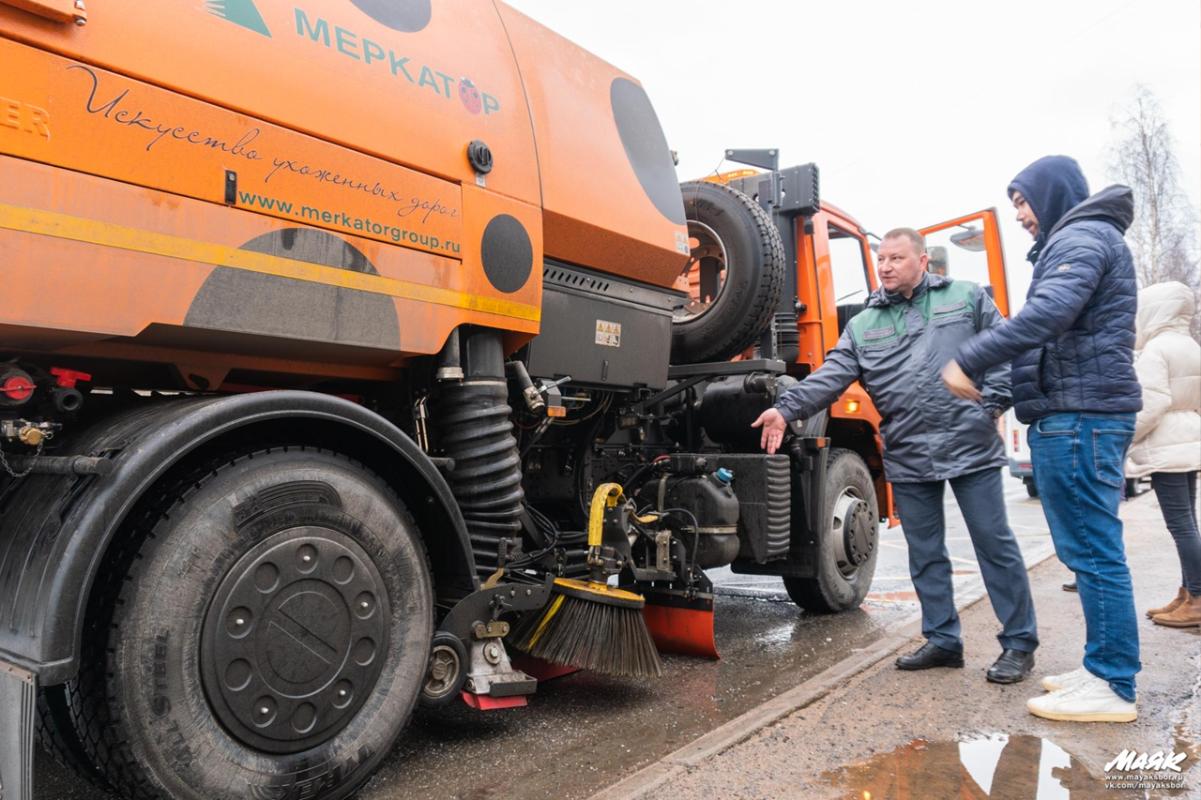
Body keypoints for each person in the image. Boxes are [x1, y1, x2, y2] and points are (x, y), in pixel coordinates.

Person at [753, 228, 1039, 683]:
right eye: (881, 258)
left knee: (994, 544)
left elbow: (1006, 349)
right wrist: (786, 410)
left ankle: (1020, 644)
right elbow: (831, 376)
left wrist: (993, 403)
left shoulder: (966, 298)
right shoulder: (864, 325)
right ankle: (943, 639)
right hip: (908, 450)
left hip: (970, 443)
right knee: (925, 552)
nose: (885, 266)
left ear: (923, 261)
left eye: (896, 258)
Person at [943, 155, 1142, 723]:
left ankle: (1112, 683)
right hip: (1077, 412)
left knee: (1093, 553)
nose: (1022, 217)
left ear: (1052, 195)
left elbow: (1050, 312)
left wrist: (971, 357)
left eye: (1024, 203)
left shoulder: (1080, 237)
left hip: (1080, 415)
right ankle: (1104, 666)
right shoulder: (1083, 237)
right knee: (1089, 551)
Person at [1125, 281, 1201, 627]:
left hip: (1167, 446)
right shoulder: (1190, 345)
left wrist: (1126, 437)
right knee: (1189, 523)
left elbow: (1152, 403)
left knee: (1181, 526)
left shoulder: (1156, 350)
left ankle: (1197, 599)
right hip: (1188, 441)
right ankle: (1187, 593)